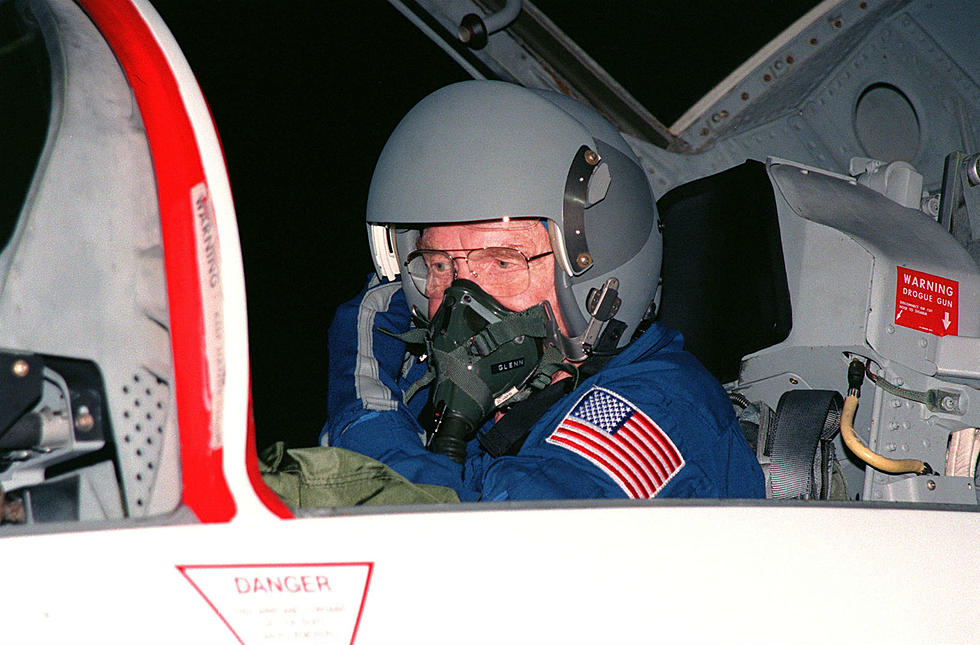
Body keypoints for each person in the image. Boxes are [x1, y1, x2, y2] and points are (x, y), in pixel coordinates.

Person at [319, 80, 763, 502]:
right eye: (439, 265)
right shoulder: (459, 396)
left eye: (502, 262)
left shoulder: (649, 413)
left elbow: (474, 555)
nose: (460, 300)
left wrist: (365, 416)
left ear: (596, 283)